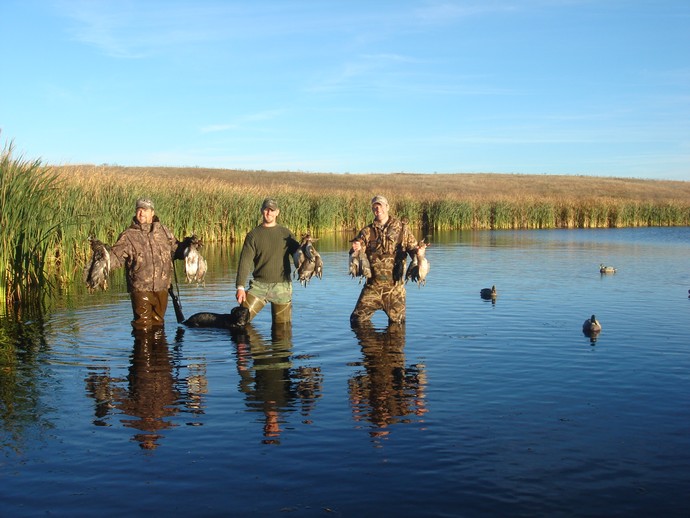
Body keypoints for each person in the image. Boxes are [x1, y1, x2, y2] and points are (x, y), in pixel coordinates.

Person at [109, 198, 184, 329]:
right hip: (141, 288)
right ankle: (141, 349)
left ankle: (160, 350)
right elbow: (115, 258)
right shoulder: (128, 236)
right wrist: (103, 260)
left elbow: (176, 251)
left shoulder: (164, 232)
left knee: (159, 324)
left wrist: (188, 246)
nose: (141, 213)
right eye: (139, 210)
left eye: (145, 210)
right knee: (142, 327)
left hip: (162, 287)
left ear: (152, 213)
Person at [350, 195, 421, 326]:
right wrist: (357, 248)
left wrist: (419, 252)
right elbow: (355, 252)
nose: (378, 209)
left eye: (380, 205)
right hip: (372, 288)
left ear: (387, 207)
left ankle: (391, 345)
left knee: (398, 326)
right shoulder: (366, 231)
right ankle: (372, 346)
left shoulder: (403, 229)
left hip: (395, 290)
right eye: (374, 207)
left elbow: (413, 251)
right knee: (356, 321)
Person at [235, 198, 300, 327]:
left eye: (272, 210)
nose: (269, 213)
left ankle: (279, 347)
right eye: (266, 209)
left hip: (282, 287)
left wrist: (307, 256)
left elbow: (298, 257)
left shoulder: (286, 234)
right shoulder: (253, 235)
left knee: (283, 330)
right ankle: (252, 347)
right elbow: (245, 261)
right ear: (261, 211)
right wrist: (240, 287)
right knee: (239, 323)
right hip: (258, 286)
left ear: (277, 212)